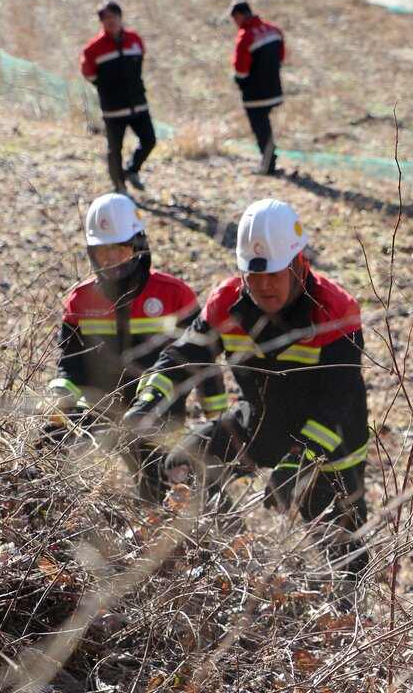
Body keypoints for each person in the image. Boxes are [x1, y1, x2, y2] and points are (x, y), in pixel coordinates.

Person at [124, 199, 369, 577]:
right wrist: (147, 402)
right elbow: (183, 357)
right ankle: (235, 557)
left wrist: (301, 460)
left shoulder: (334, 310)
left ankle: (349, 619)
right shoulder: (225, 303)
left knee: (342, 550)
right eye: (253, 276)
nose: (264, 285)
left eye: (275, 274)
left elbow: (338, 401)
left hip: (330, 445)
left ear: (300, 265)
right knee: (184, 463)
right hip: (260, 423)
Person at [42, 193, 229, 503]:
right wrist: (58, 414)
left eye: (122, 248)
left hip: (159, 415)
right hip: (100, 411)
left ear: (140, 247)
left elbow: (205, 367)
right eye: (103, 251)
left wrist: (218, 425)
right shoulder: (80, 300)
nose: (112, 260)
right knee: (68, 486)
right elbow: (70, 366)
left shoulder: (175, 296)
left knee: (161, 496)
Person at [80, 0, 155, 193]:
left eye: (114, 17)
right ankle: (119, 186)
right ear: (101, 22)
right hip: (113, 108)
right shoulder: (93, 48)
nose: (112, 21)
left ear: (121, 18)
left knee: (149, 140)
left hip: (138, 103)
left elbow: (139, 63)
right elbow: (88, 73)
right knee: (115, 149)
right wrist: (108, 88)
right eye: (107, 18)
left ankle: (132, 170)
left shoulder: (134, 39)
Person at [229, 1, 286, 176]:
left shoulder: (245, 37)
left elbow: (241, 68)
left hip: (255, 92)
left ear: (238, 16)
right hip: (274, 87)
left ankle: (268, 164)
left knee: (260, 127)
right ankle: (270, 160)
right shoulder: (273, 30)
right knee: (265, 125)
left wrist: (241, 82)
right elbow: (281, 56)